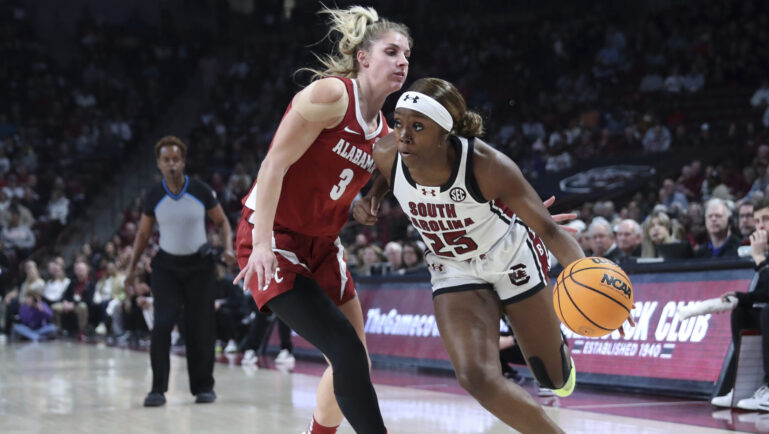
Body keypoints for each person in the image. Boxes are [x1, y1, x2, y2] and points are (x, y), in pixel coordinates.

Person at [366, 78, 631, 433]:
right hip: (453, 267)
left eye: (417, 126)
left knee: (556, 380)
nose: (403, 136)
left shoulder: (488, 165)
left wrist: (597, 282)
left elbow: (550, 230)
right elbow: (386, 177)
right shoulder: (387, 153)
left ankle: (557, 353)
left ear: (445, 132)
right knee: (475, 376)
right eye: (398, 123)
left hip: (510, 256)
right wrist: (370, 198)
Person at [233, 6, 411, 433]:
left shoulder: (384, 134)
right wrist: (259, 245)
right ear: (364, 58)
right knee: (346, 351)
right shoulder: (331, 95)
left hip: (323, 246)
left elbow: (333, 183)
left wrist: (357, 206)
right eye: (391, 51)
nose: (403, 61)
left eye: (407, 54)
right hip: (274, 236)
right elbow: (274, 165)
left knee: (354, 360)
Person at [126, 136, 235, 407]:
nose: (172, 164)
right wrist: (130, 271)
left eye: (176, 159)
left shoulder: (200, 190)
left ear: (183, 162)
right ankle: (157, 390)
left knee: (201, 327)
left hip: (200, 267)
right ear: (159, 164)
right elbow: (142, 234)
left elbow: (222, 222)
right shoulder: (154, 195)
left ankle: (203, 387)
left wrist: (228, 248)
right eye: (166, 160)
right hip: (166, 268)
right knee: (162, 324)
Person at [711, 197, 769, 411]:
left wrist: (759, 259)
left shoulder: (761, 253)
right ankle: (744, 387)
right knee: (742, 312)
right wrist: (740, 297)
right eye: (758, 220)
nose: (761, 225)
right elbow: (765, 293)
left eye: (767, 219)